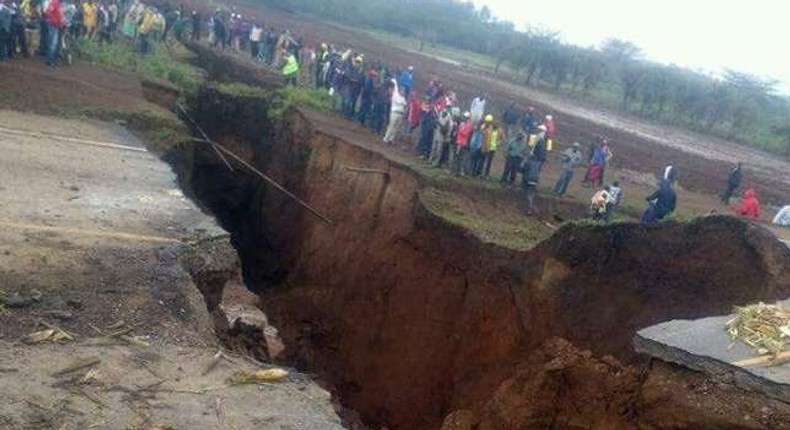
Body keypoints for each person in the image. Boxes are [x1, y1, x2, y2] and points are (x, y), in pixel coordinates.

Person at [43, 0, 63, 66]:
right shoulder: (54, 2)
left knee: (54, 43)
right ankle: (49, 61)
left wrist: (61, 22)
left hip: (56, 25)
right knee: (52, 43)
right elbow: (47, 12)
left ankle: (51, 60)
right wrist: (53, 20)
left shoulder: (59, 3)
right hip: (52, 25)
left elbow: (59, 15)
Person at [452, 111, 473, 176]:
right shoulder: (462, 124)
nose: (464, 118)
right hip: (458, 142)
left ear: (468, 118)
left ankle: (460, 171)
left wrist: (459, 129)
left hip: (463, 143)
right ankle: (455, 170)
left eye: (465, 117)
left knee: (460, 157)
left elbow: (465, 133)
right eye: (464, 117)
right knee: (457, 156)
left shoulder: (469, 125)